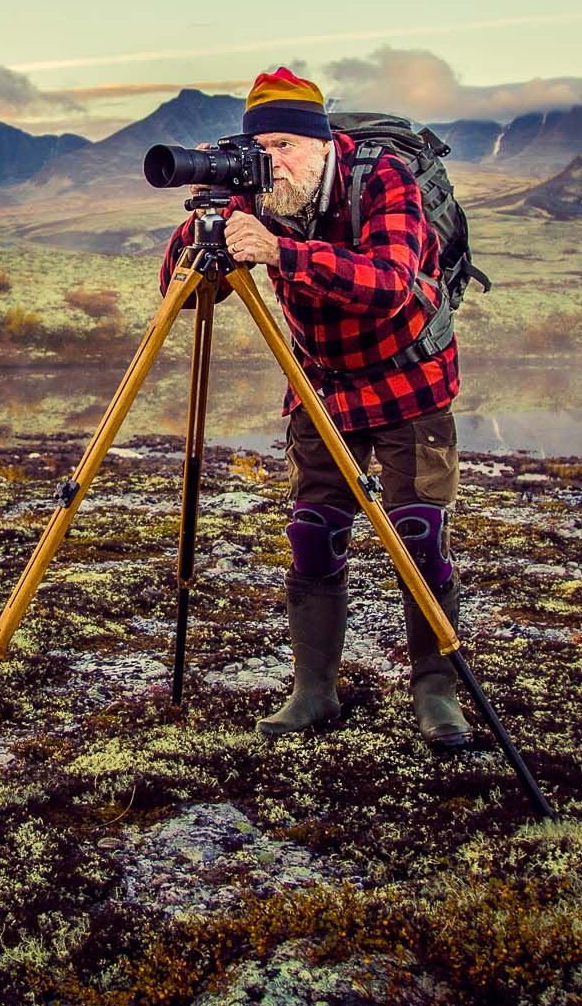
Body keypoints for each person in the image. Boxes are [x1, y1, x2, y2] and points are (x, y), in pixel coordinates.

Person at [155, 67, 477, 749]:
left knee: (418, 535)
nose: (273, 161)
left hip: (408, 380)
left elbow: (391, 284)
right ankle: (315, 691)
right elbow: (179, 294)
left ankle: (437, 694)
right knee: (313, 533)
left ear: (324, 142)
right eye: (260, 146)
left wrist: (280, 251)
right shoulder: (254, 189)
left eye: (286, 146)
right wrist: (203, 232)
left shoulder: (382, 178)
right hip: (322, 385)